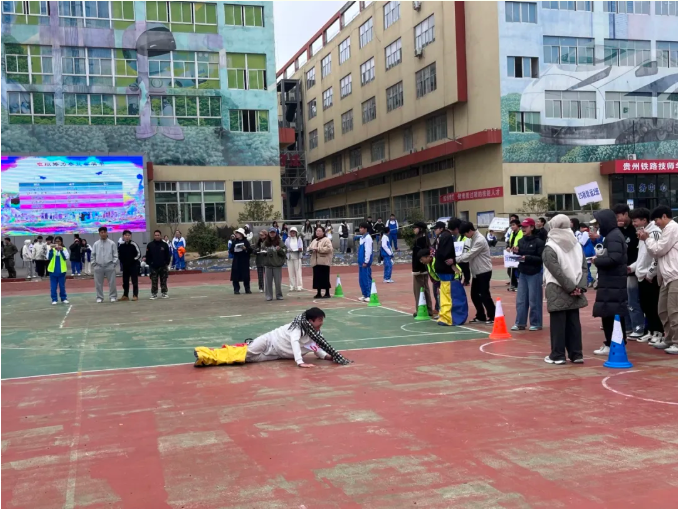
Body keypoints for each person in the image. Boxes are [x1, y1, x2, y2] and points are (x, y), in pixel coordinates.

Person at [542, 215, 588, 364]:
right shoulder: (577, 244)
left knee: (558, 324)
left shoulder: (551, 246)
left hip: (557, 287)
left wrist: (569, 287)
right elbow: (584, 267)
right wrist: (579, 287)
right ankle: (576, 354)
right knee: (574, 323)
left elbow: (556, 271)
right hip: (576, 287)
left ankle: (558, 355)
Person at [241, 308, 352, 367]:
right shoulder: (298, 327)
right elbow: (295, 341)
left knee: (246, 360)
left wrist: (327, 356)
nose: (321, 323)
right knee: (246, 353)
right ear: (310, 321)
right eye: (319, 320)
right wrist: (300, 362)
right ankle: (230, 352)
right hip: (270, 341)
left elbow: (315, 348)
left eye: (322, 320)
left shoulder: (316, 334)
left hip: (277, 354)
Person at [638, 205, 678, 354]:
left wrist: (647, 239)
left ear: (664, 216)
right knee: (662, 310)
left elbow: (657, 249)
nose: (656, 223)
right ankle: (669, 339)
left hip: (675, 274)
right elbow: (656, 253)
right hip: (667, 276)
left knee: (674, 311)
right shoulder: (665, 230)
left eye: (657, 220)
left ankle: (677, 342)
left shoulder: (672, 228)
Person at [592, 209, 628, 355]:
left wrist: (597, 260)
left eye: (599, 223)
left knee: (610, 313)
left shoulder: (613, 237)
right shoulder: (613, 235)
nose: (598, 226)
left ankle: (612, 343)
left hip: (612, 282)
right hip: (612, 281)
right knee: (612, 312)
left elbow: (614, 258)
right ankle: (616, 342)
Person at [629, 208, 663, 344]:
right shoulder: (642, 233)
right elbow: (642, 256)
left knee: (654, 306)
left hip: (650, 277)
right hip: (642, 276)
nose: (633, 224)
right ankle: (651, 331)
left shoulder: (654, 233)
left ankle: (659, 332)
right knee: (645, 306)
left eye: (635, 221)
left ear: (644, 220)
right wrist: (632, 267)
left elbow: (657, 255)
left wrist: (650, 273)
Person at [612, 204, 644, 338]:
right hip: (622, 270)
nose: (617, 219)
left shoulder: (635, 229)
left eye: (618, 216)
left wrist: (634, 267)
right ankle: (628, 326)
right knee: (624, 300)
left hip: (634, 269)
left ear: (626, 214)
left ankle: (638, 327)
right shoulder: (618, 230)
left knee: (633, 300)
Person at [458, 222, 495, 324]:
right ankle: (480, 315)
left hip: (484, 271)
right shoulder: (472, 239)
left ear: (470, 231)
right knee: (474, 294)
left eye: (465, 233)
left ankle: (493, 315)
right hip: (476, 271)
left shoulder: (480, 240)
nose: (465, 236)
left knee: (484, 294)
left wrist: (456, 259)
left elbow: (470, 254)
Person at [511, 218, 544, 331]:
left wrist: (527, 257)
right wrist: (516, 252)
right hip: (523, 273)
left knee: (534, 300)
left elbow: (541, 259)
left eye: (525, 227)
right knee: (521, 300)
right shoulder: (521, 241)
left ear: (532, 227)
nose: (523, 229)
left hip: (535, 273)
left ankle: (536, 323)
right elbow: (520, 255)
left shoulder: (539, 242)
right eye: (522, 227)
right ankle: (520, 323)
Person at [420, 248, 466, 325]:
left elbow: (455, 269)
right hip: (442, 281)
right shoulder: (427, 265)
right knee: (439, 296)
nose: (421, 262)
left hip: (453, 279)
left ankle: (455, 316)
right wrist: (438, 286)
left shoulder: (438, 260)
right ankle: (443, 313)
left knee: (453, 298)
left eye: (422, 259)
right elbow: (433, 276)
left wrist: (456, 280)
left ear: (428, 257)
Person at [434, 219, 462, 324]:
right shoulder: (448, 236)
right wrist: (453, 264)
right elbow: (446, 254)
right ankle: (447, 317)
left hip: (440, 267)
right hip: (445, 269)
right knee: (447, 293)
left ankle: (443, 314)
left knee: (443, 291)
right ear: (456, 228)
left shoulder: (441, 236)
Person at [411, 222, 435, 317]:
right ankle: (429, 309)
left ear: (420, 229)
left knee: (418, 290)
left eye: (415, 228)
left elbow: (417, 256)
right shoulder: (426, 238)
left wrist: (416, 270)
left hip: (419, 268)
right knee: (426, 288)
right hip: (425, 267)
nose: (414, 230)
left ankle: (420, 309)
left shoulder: (419, 240)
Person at [92, 226, 118, 303]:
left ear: (107, 233)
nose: (103, 234)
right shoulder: (96, 244)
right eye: (101, 232)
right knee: (98, 283)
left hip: (109, 265)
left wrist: (114, 264)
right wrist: (94, 264)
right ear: (99, 233)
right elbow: (93, 255)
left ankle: (113, 296)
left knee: (112, 283)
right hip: (98, 266)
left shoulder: (112, 243)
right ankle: (99, 297)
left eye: (104, 232)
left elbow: (115, 255)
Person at [146, 229, 172, 299]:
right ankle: (154, 293)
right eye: (155, 235)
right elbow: (147, 256)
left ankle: (164, 292)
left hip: (163, 266)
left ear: (160, 236)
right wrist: (150, 263)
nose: (157, 236)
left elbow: (168, 255)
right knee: (154, 280)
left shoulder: (164, 245)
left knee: (164, 280)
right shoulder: (150, 245)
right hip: (153, 267)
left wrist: (166, 263)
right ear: (154, 236)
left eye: (158, 235)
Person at [309, 225, 333, 298]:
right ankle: (318, 293)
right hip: (316, 262)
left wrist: (318, 249)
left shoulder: (326, 240)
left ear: (323, 232)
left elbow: (329, 249)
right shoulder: (314, 240)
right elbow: (309, 247)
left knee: (325, 277)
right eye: (317, 231)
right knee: (317, 278)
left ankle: (327, 293)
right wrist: (310, 250)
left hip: (324, 262)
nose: (318, 232)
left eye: (319, 231)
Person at [263, 227, 287, 301]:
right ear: (269, 233)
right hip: (268, 264)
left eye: (273, 232)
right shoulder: (265, 242)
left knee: (278, 282)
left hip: (277, 264)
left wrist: (279, 249)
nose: (272, 234)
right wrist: (264, 252)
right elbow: (262, 250)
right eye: (271, 232)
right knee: (268, 282)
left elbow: (285, 251)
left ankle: (279, 295)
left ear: (275, 233)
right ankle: (269, 295)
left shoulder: (279, 242)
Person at [117, 230, 142, 301]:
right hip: (125, 266)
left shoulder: (134, 244)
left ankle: (135, 295)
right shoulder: (121, 245)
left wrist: (133, 260)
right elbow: (119, 255)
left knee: (134, 281)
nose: (127, 237)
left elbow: (139, 254)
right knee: (125, 281)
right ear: (123, 236)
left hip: (133, 266)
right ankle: (125, 295)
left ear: (130, 236)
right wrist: (123, 261)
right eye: (125, 235)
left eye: (128, 235)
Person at [229, 228, 252, 295]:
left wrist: (245, 249)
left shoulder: (246, 242)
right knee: (235, 274)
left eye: (238, 233)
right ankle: (236, 289)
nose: (236, 234)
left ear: (241, 234)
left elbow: (250, 250)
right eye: (236, 233)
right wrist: (234, 249)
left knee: (246, 275)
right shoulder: (234, 242)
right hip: (236, 260)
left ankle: (247, 289)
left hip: (244, 260)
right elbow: (231, 250)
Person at [47, 236, 69, 305]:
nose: (57, 243)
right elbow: (48, 257)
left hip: (62, 271)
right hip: (53, 270)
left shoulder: (64, 249)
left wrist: (61, 250)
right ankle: (54, 299)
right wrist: (51, 250)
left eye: (59, 241)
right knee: (53, 286)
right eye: (56, 241)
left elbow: (66, 257)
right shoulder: (51, 249)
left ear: (61, 242)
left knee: (62, 286)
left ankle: (63, 298)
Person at [357, 222, 374, 302]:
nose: (360, 229)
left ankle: (369, 295)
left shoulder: (368, 238)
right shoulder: (362, 238)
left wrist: (366, 261)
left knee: (366, 279)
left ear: (365, 229)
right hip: (361, 262)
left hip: (365, 263)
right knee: (361, 279)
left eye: (361, 228)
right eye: (360, 228)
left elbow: (368, 251)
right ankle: (364, 294)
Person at [285, 226, 304, 292]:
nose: (292, 233)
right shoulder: (287, 240)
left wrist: (299, 249)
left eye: (294, 232)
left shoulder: (299, 239)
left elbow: (301, 248)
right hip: (290, 256)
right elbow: (285, 248)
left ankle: (299, 286)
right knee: (290, 272)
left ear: (296, 232)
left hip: (297, 256)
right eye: (291, 232)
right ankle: (292, 286)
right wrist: (288, 250)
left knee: (298, 271)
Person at [506, 219, 523, 290]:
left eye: (513, 225)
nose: (512, 227)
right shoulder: (512, 233)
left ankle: (519, 285)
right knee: (510, 270)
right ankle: (514, 284)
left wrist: (518, 247)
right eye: (511, 225)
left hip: (519, 254)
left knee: (518, 270)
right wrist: (508, 247)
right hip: (512, 254)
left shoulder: (521, 233)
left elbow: (522, 242)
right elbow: (509, 242)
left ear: (518, 225)